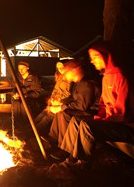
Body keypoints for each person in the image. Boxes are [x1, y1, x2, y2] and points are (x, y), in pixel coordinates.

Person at [52, 41, 134, 170]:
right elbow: (103, 103)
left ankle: (82, 165)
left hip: (125, 125)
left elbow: (123, 112)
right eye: (91, 57)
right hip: (112, 120)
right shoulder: (107, 76)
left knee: (87, 126)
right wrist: (100, 116)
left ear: (107, 56)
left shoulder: (122, 77)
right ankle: (71, 158)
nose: (92, 61)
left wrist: (102, 120)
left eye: (96, 57)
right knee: (76, 120)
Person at [46, 60, 99, 160]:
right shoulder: (78, 84)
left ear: (75, 70)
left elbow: (82, 105)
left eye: (66, 72)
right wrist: (61, 102)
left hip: (92, 112)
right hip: (84, 109)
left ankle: (64, 147)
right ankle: (53, 139)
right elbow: (73, 98)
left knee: (64, 113)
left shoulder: (86, 83)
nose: (64, 75)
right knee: (60, 112)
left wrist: (62, 107)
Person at [34, 60, 73, 136]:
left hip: (62, 104)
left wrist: (59, 100)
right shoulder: (60, 78)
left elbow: (69, 95)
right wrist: (52, 98)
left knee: (47, 117)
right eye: (58, 68)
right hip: (55, 102)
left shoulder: (71, 80)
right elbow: (55, 90)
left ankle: (33, 132)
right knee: (42, 114)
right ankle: (28, 128)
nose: (60, 69)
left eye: (62, 67)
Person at [12, 61, 42, 130]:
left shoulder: (34, 78)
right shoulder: (17, 77)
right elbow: (13, 88)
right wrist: (14, 94)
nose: (21, 70)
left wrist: (26, 95)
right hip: (19, 97)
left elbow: (37, 92)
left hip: (30, 98)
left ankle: (27, 125)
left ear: (27, 68)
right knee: (16, 103)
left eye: (23, 68)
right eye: (19, 68)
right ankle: (17, 125)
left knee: (23, 104)